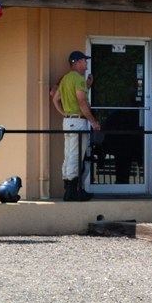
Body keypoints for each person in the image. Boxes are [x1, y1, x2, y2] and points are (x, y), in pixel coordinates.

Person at [51, 51, 100, 202]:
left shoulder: (65, 79)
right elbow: (82, 102)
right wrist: (92, 121)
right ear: (78, 62)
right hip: (78, 122)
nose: (86, 63)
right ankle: (72, 192)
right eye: (85, 61)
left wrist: (66, 114)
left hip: (68, 121)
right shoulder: (78, 79)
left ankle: (70, 189)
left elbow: (55, 99)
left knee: (69, 155)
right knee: (76, 157)